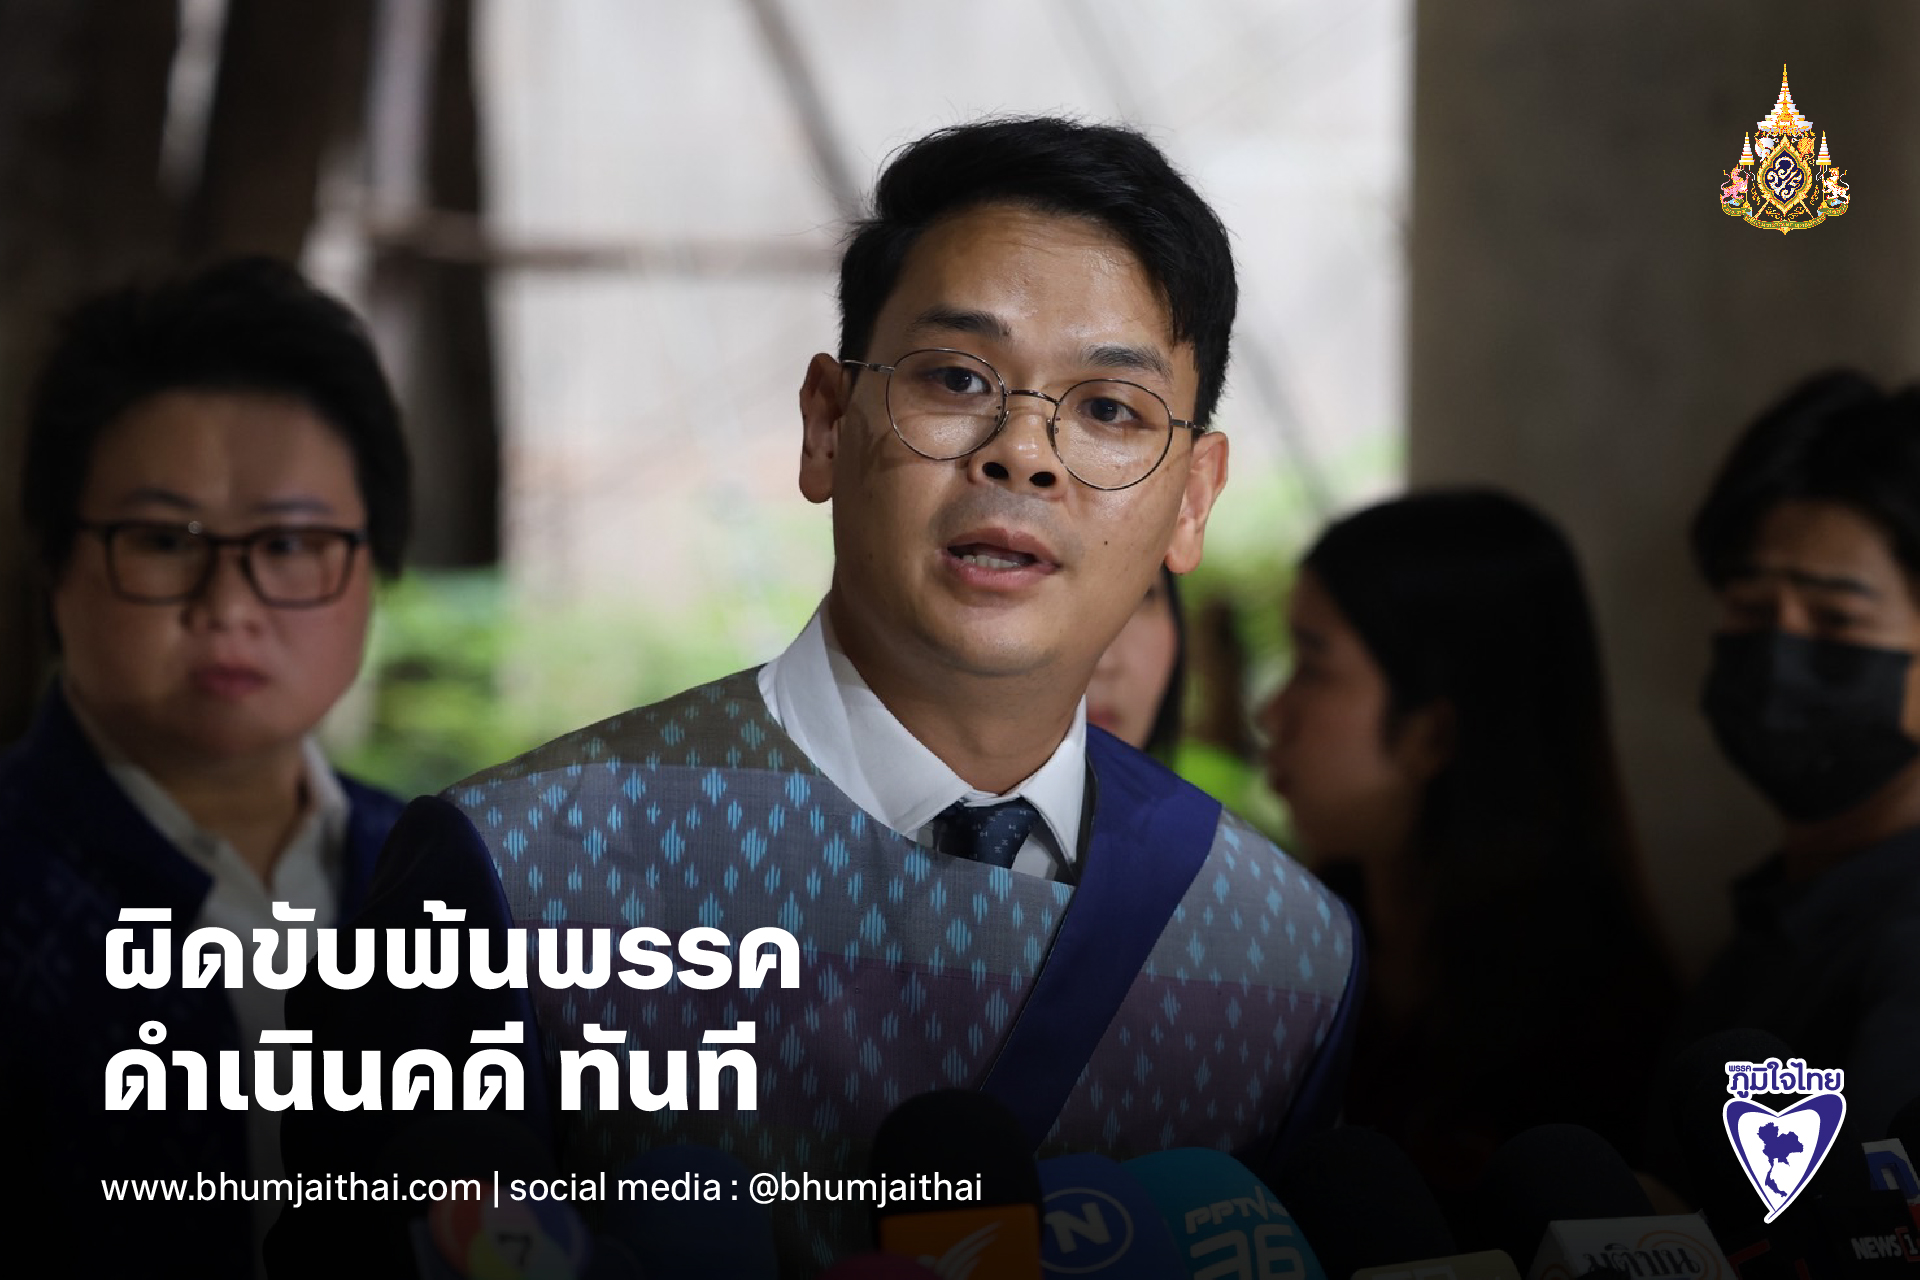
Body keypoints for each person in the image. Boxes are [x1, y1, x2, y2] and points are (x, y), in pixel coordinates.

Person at [283, 117, 1360, 1273]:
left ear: (1193, 498)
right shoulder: (522, 872)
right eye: (958, 378)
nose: (1025, 454)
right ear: (827, 425)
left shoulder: (1286, 952)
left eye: (1110, 410)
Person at [0, 257, 413, 1279]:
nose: (229, 606)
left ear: (374, 567)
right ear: (53, 563)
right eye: (160, 539)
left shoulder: (455, 875)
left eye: (292, 543)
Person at [1259, 487, 1677, 1190]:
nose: (1272, 712)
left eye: (1313, 666)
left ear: (1433, 733)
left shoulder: (1594, 1043)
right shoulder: (1288, 958)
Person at [1677, 369, 1920, 1148]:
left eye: (1836, 620)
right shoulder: (1773, 930)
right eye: (1750, 610)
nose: (1779, 658)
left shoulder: (1904, 955)